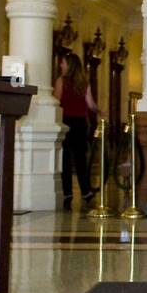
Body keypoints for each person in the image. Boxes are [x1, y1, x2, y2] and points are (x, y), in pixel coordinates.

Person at [54, 51, 99, 209]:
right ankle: (86, 192)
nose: (61, 65)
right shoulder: (84, 82)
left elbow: (56, 102)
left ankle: (67, 193)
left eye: (63, 62)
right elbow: (91, 104)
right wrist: (100, 112)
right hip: (81, 124)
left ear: (69, 65)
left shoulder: (61, 81)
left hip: (66, 122)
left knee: (65, 159)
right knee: (81, 160)